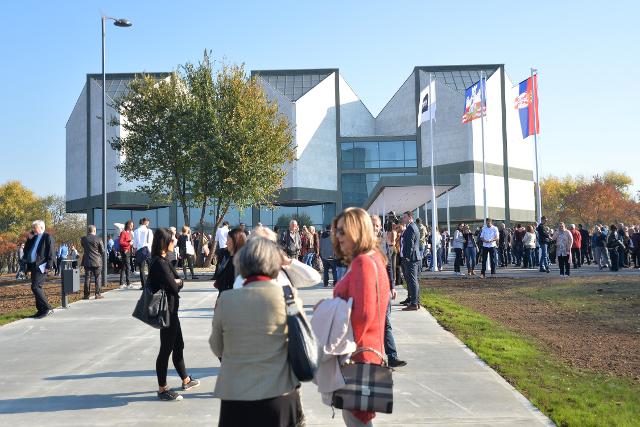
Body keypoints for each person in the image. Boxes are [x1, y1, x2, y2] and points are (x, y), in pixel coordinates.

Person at [210, 237, 304, 426]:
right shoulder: (288, 297)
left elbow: (217, 347)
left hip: (236, 395)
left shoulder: (226, 300)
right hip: (279, 393)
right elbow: (300, 341)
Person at [332, 207, 390, 426]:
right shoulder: (374, 258)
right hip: (369, 353)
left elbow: (364, 315)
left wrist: (338, 345)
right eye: (337, 231)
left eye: (342, 231)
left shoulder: (363, 262)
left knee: (357, 420)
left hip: (358, 356)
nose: (338, 236)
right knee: (359, 419)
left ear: (356, 231)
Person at [148, 228, 200, 401]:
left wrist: (177, 282)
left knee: (178, 345)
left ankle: (186, 379)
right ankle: (162, 389)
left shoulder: (162, 260)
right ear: (164, 243)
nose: (175, 242)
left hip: (172, 311)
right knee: (166, 350)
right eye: (172, 240)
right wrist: (178, 282)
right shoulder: (159, 263)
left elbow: (176, 282)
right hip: (167, 312)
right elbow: (174, 286)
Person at [370, 214, 406, 368]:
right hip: (369, 289)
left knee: (386, 323)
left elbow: (388, 266)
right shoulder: (362, 244)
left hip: (383, 289)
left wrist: (392, 286)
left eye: (377, 225)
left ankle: (392, 356)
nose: (375, 228)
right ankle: (371, 358)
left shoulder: (383, 243)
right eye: (372, 224)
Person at [22, 220, 55, 318]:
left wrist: (49, 266)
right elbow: (26, 251)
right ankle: (40, 310)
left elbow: (51, 252)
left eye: (34, 227)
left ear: (41, 227)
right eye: (32, 227)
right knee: (37, 287)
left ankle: (47, 308)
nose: (33, 229)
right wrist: (29, 239)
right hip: (33, 265)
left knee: (35, 287)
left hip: (42, 266)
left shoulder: (47, 237)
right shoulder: (34, 237)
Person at [213, 228, 247, 294]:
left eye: (228, 240)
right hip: (222, 296)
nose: (226, 243)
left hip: (235, 296)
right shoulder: (224, 256)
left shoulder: (243, 261)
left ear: (236, 241)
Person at [80, 225, 105, 300]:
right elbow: (102, 251)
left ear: (88, 231)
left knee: (87, 278)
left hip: (87, 261)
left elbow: (83, 246)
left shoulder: (83, 239)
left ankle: (86, 295)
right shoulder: (98, 239)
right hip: (97, 261)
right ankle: (97, 294)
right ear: (94, 231)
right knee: (98, 277)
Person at [133, 217, 153, 288]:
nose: (148, 224)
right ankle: (151, 283)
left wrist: (134, 250)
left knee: (141, 269)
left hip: (140, 250)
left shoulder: (136, 231)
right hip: (148, 250)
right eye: (148, 222)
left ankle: (144, 285)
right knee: (150, 267)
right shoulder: (149, 231)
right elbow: (151, 241)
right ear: (145, 222)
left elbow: (135, 243)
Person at [119, 220, 134, 288]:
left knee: (124, 267)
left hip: (128, 251)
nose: (132, 227)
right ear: (127, 225)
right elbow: (121, 242)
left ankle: (121, 283)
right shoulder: (123, 232)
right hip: (125, 251)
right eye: (131, 225)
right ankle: (128, 283)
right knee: (127, 266)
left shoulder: (129, 233)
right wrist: (129, 243)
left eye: (132, 225)